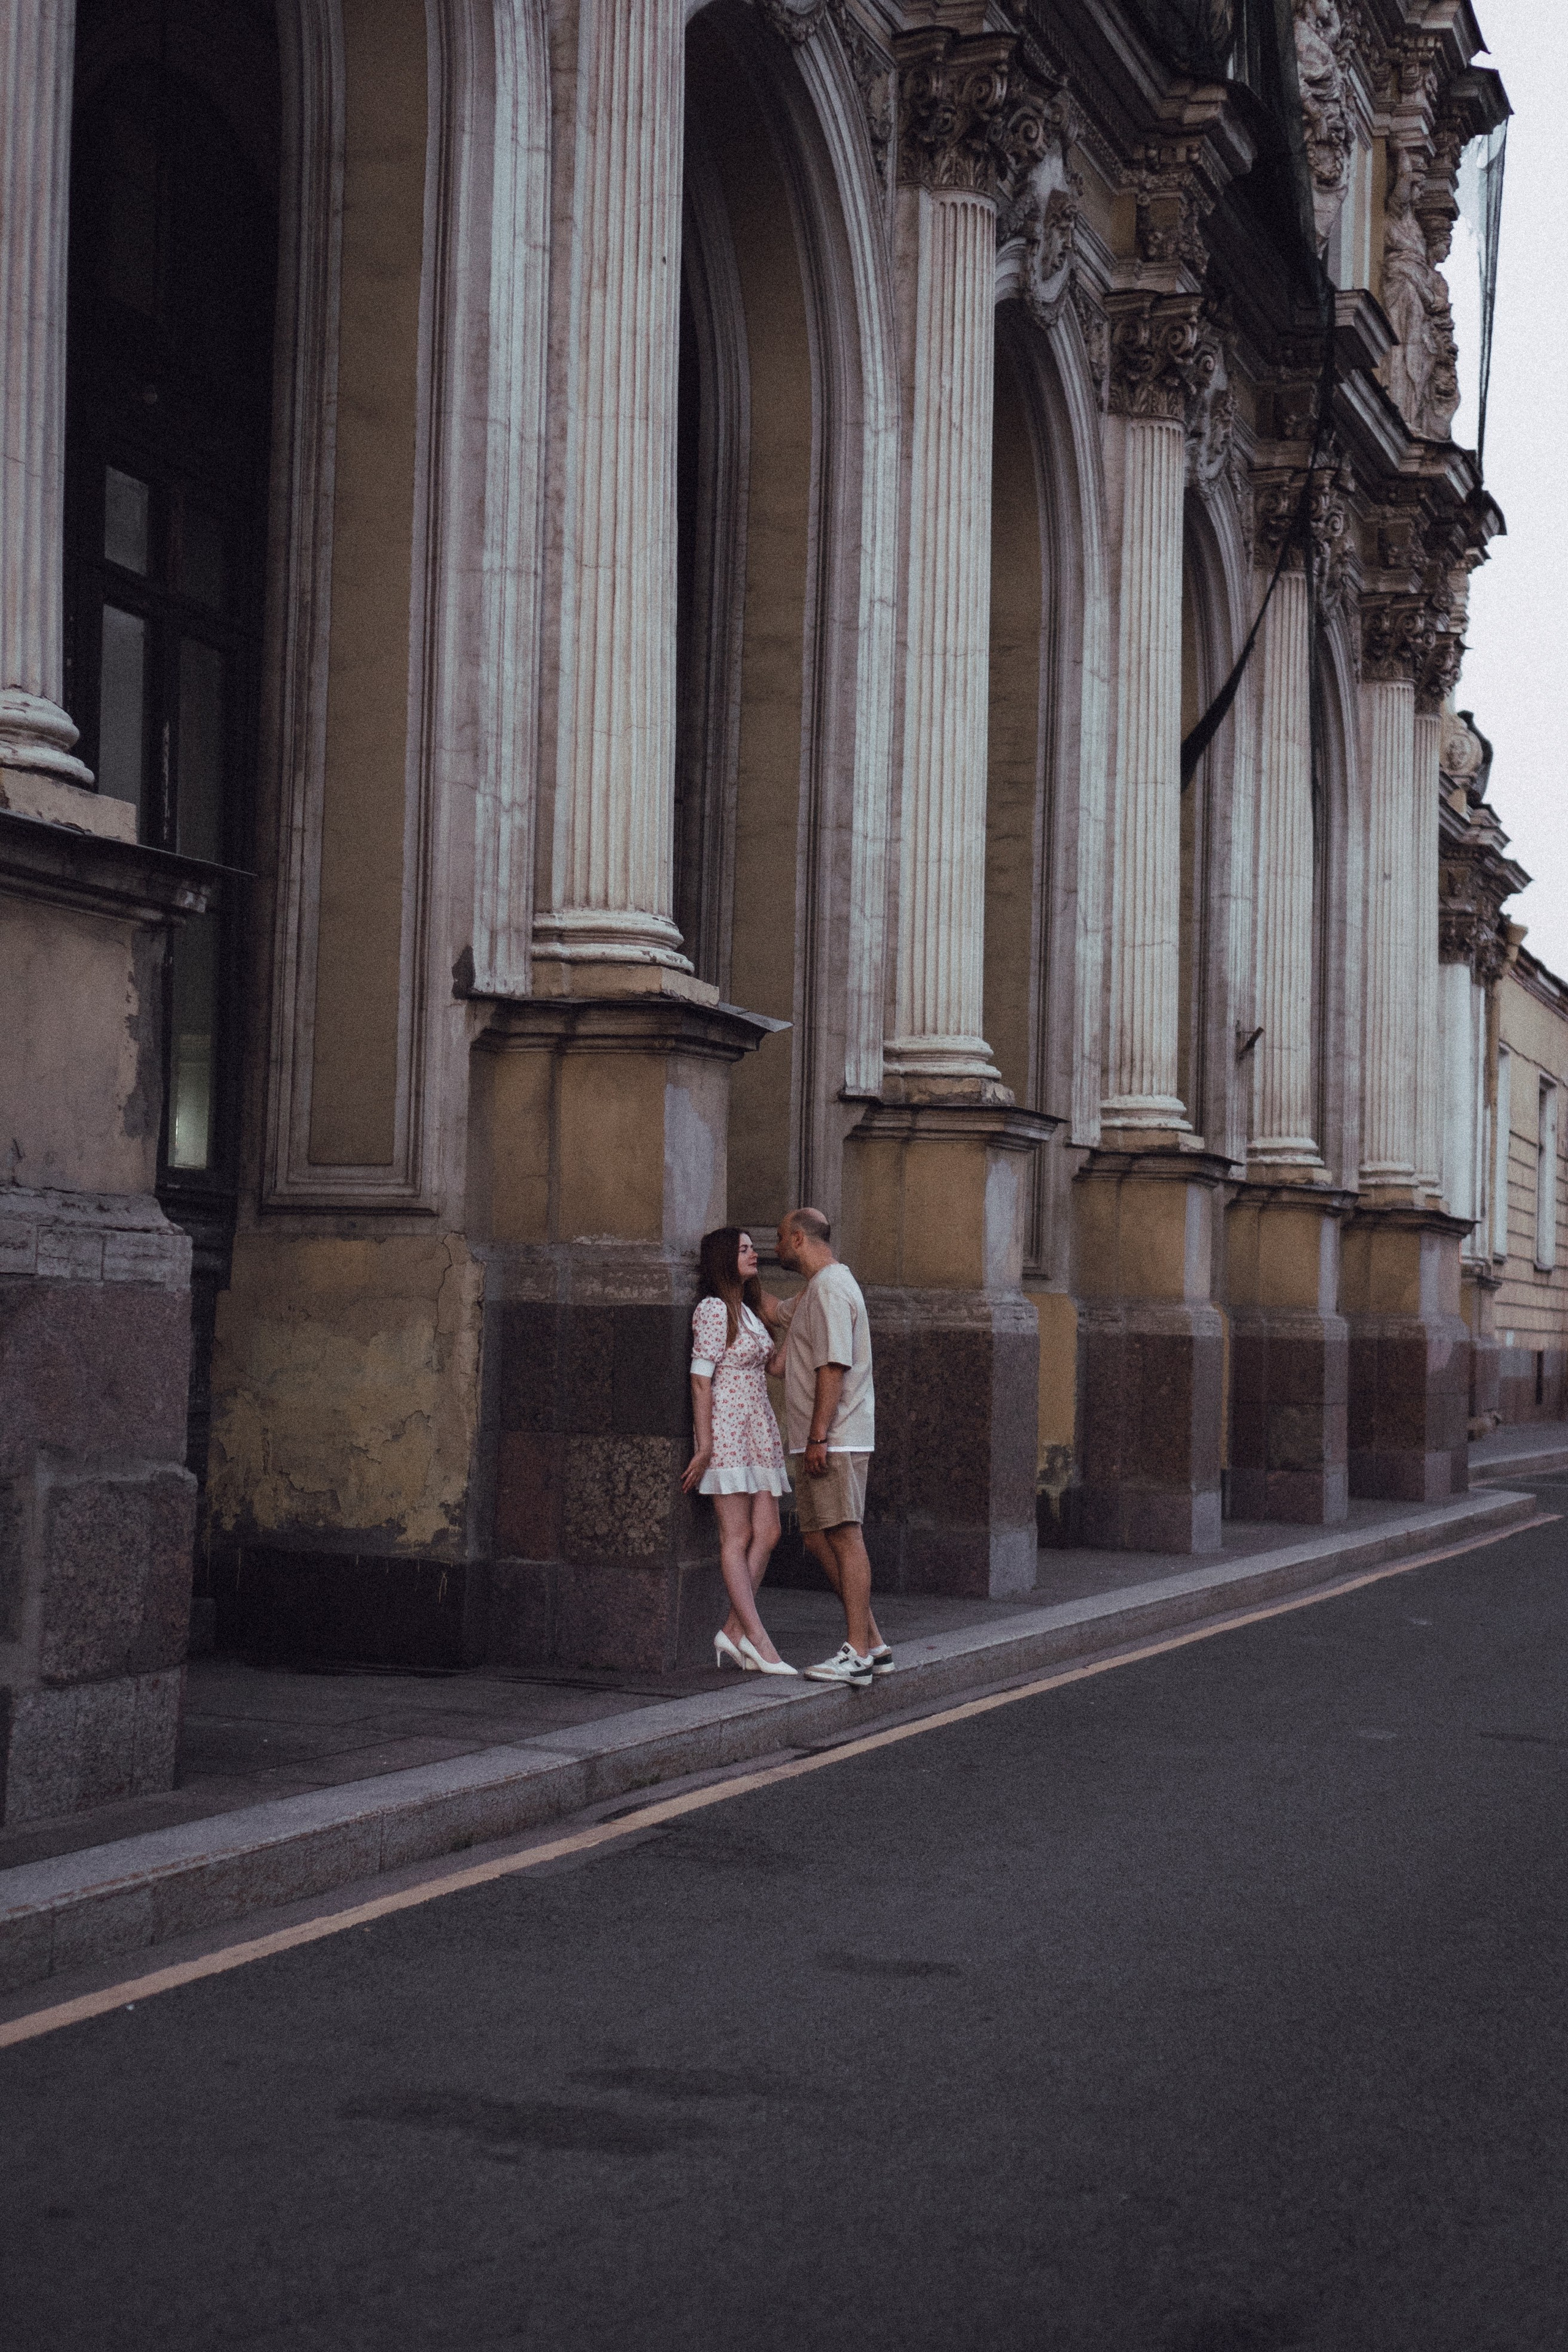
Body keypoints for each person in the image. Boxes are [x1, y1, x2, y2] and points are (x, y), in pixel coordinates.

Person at [772, 1207, 891, 1690]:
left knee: (845, 1536)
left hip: (833, 1439)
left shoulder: (831, 1288)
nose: (774, 1246)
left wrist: (819, 1435)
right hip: (819, 1439)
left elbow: (833, 1367)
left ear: (799, 1239)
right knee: (819, 1538)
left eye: (780, 1238)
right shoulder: (815, 1292)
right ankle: (875, 1644)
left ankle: (857, 1654)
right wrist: (728, 1279)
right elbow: (773, 1312)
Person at [682, 1227, 797, 1677]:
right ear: (724, 1259)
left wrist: (798, 1322)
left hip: (757, 1427)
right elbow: (700, 1379)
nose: (753, 1254)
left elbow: (775, 1368)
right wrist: (705, 1444)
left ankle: (733, 1632)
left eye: (752, 1247)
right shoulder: (712, 1310)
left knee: (767, 1532)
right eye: (744, 1249)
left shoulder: (748, 1309)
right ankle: (759, 1641)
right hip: (728, 1429)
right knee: (736, 1537)